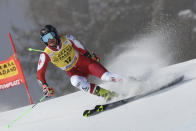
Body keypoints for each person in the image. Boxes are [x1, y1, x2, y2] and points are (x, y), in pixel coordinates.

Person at [37, 25, 123, 102]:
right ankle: (107, 94)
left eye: (50, 36)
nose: (49, 40)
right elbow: (40, 74)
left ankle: (130, 82)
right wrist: (45, 87)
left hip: (86, 64)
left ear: (55, 34)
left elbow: (79, 46)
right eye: (45, 38)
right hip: (74, 72)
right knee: (75, 82)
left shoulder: (66, 39)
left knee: (106, 77)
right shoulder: (45, 54)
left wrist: (89, 55)